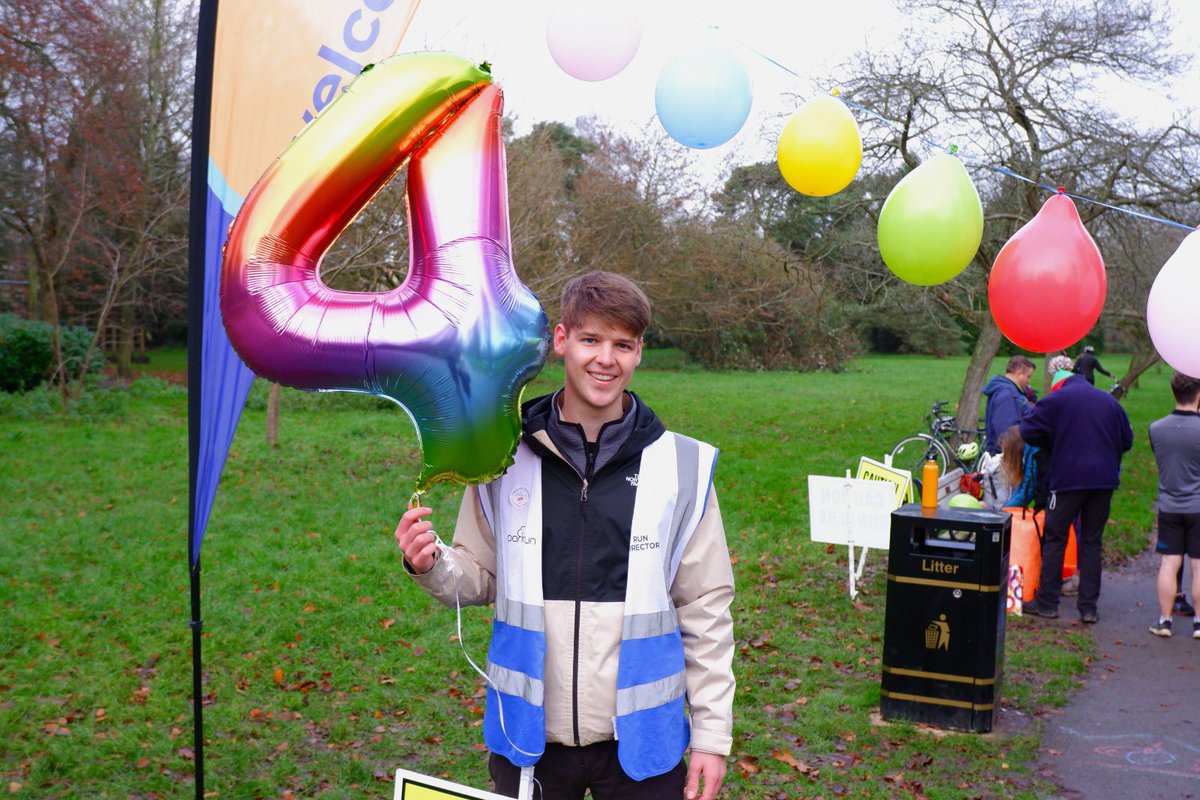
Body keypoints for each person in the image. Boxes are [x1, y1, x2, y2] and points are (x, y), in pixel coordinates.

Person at [395, 271, 735, 800]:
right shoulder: (501, 459)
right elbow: (477, 576)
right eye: (591, 340)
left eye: (622, 344)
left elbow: (705, 607)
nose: (606, 359)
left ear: (639, 351)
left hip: (644, 746)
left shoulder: (683, 466)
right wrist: (430, 563)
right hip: (529, 742)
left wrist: (712, 736)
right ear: (561, 341)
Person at [1020, 369, 1133, 623]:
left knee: (1055, 538)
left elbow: (1028, 430)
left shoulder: (1057, 400)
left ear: (1059, 385)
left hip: (1067, 480)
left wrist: (1053, 440)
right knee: (1092, 542)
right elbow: (1127, 440)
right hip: (1103, 482)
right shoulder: (1109, 401)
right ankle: (1089, 608)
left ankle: (1047, 603)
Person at [1147, 372, 1200, 638]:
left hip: (1169, 506)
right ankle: (1199, 623)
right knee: (1199, 566)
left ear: (1173, 394)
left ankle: (1164, 620)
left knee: (1169, 562)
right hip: (1198, 507)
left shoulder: (1156, 428)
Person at [983, 355, 1036, 456]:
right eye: (1028, 376)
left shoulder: (1010, 391)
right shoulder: (1007, 395)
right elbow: (1004, 432)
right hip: (1007, 457)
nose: (1029, 381)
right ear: (1020, 374)